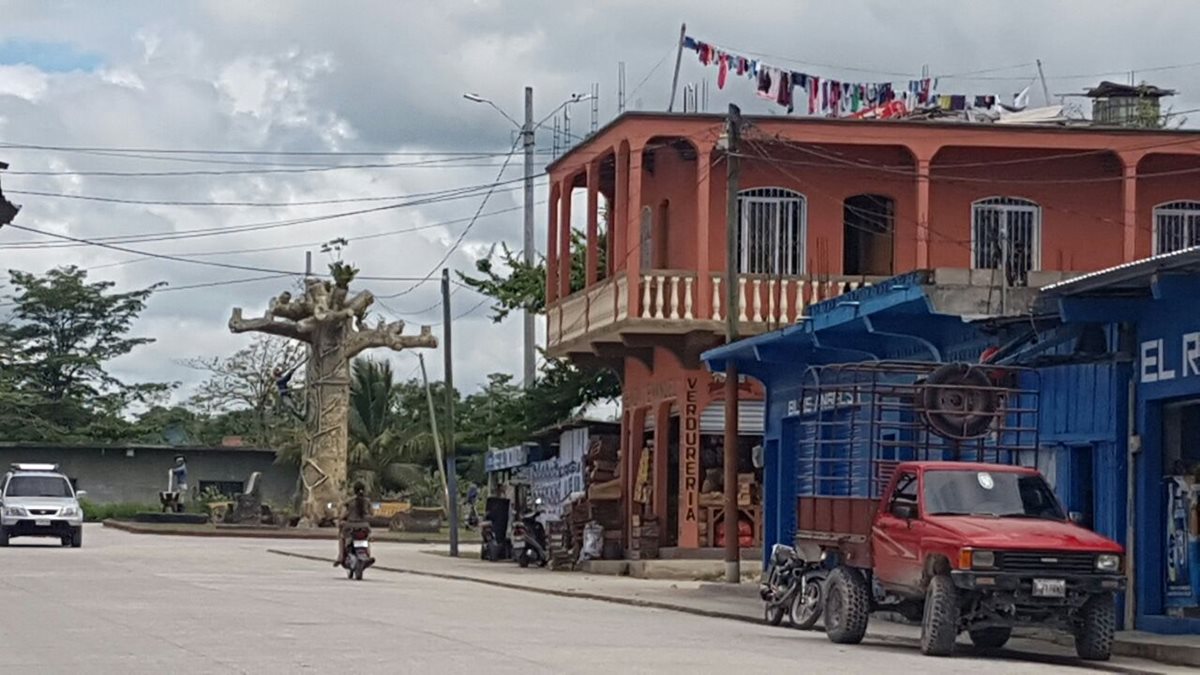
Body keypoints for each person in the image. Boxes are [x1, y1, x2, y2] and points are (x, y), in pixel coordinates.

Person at [334, 481, 374, 567]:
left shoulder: (350, 502)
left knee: (341, 537)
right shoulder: (367, 502)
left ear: (354, 490)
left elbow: (344, 514)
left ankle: (340, 556)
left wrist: (340, 520)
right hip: (365, 527)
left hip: (351, 527)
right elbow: (372, 514)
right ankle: (368, 555)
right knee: (366, 539)